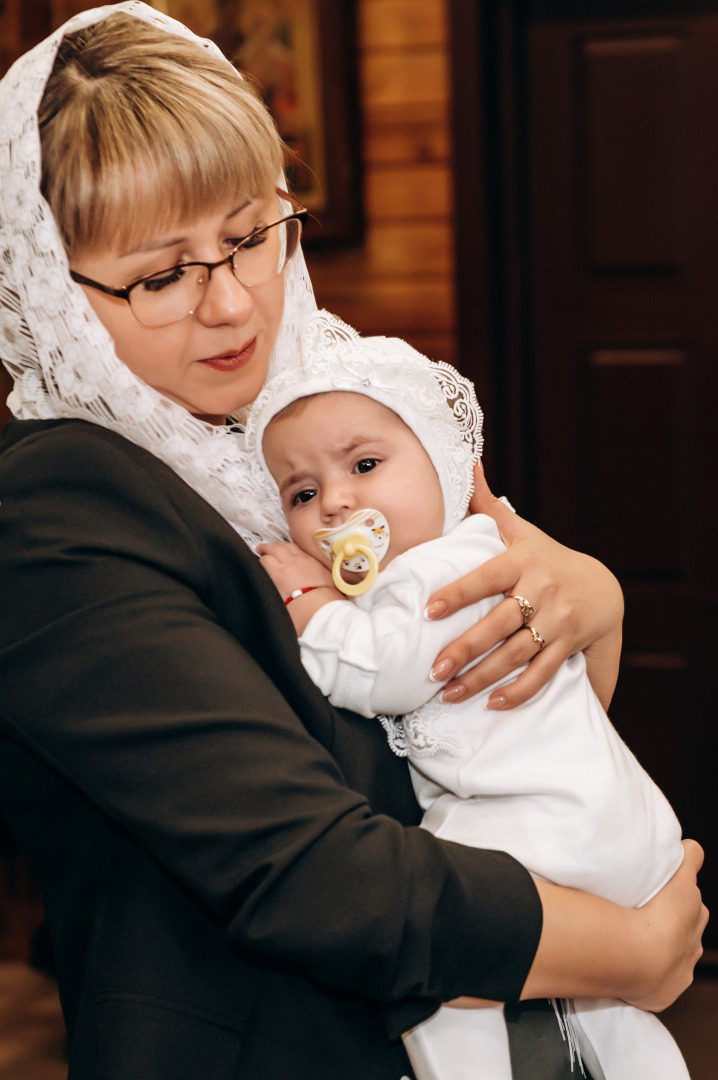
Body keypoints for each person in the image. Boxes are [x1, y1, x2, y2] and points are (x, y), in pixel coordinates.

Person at [0, 6, 706, 1080]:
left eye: (250, 234)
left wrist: (588, 597)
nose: (232, 303)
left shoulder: (332, 426)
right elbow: (308, 872)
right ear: (57, 291)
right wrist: (631, 952)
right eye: (161, 275)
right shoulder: (55, 518)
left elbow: (520, 718)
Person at [250, 318, 691, 1079]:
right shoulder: (442, 570)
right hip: (595, 818)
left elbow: (377, 672)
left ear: (449, 471)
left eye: (365, 463)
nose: (336, 504)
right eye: (303, 490)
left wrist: (306, 601)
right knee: (609, 1019)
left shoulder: (446, 572)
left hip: (542, 819)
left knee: (447, 961)